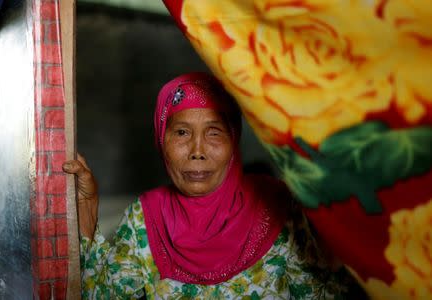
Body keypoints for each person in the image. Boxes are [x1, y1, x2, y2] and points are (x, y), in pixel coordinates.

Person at [63, 72, 357, 299]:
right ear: (160, 141)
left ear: (234, 139)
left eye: (214, 132)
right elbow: (98, 294)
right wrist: (87, 208)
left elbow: (323, 293)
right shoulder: (145, 220)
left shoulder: (279, 208)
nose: (197, 150)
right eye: (181, 132)